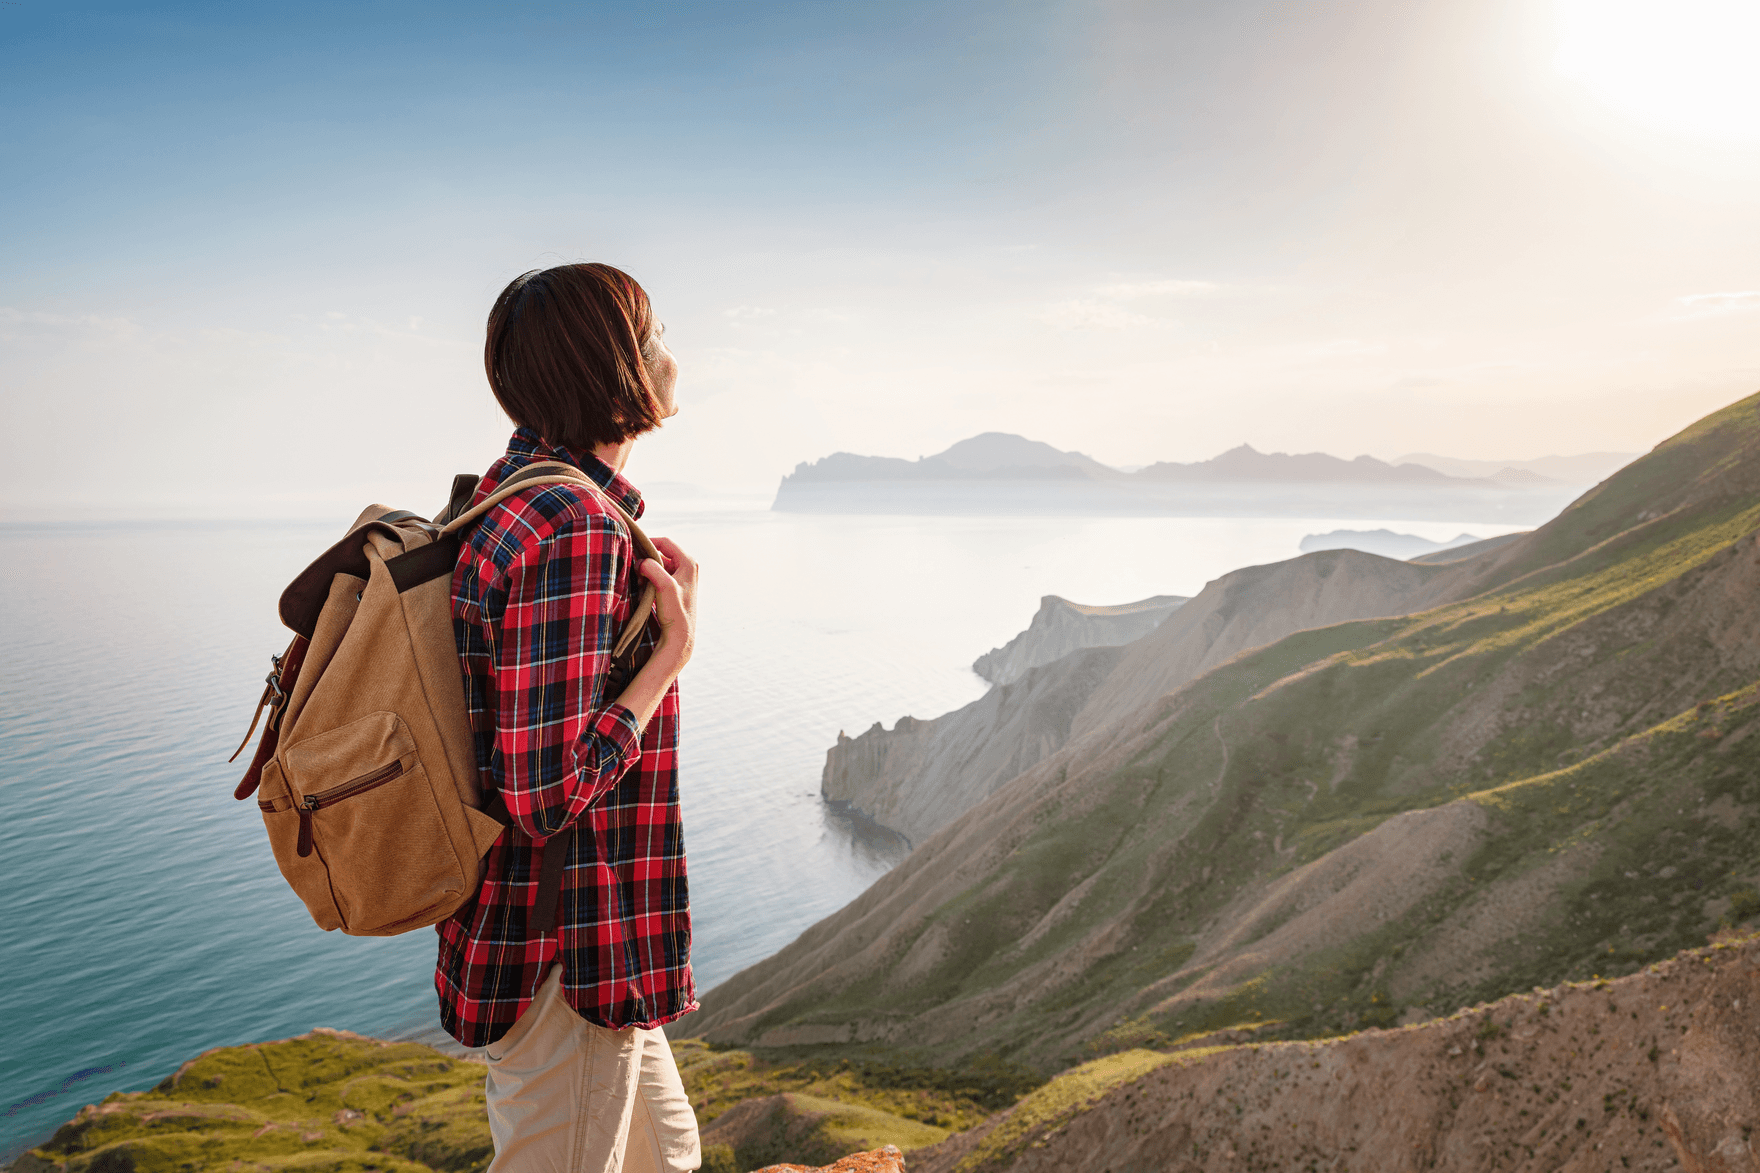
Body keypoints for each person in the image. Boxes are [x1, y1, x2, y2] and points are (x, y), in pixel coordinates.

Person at [436, 262, 702, 1172]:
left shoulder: (513, 492)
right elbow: (542, 792)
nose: (671, 349)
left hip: (561, 933)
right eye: (654, 330)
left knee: (668, 1154)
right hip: (568, 948)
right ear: (613, 362)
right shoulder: (577, 524)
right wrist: (666, 663)